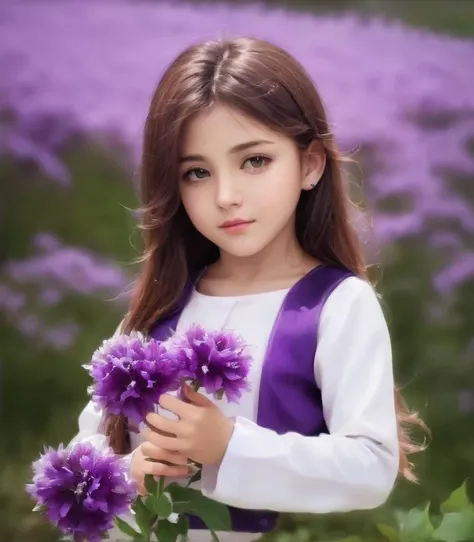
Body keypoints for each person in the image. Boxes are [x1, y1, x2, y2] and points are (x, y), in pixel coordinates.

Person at [71, 37, 426, 542]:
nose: (226, 196)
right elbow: (85, 449)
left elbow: (371, 466)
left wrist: (228, 446)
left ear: (310, 164)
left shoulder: (335, 304)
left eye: (254, 161)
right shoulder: (161, 304)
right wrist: (130, 472)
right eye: (197, 173)